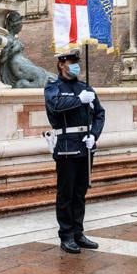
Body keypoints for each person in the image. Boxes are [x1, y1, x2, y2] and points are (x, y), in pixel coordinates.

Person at [44, 49, 105, 254]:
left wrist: (94, 135)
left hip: (85, 146)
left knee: (80, 192)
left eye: (77, 61)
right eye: (72, 61)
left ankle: (79, 233)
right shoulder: (54, 87)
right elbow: (55, 106)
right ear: (62, 64)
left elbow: (99, 114)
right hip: (66, 147)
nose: (76, 64)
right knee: (66, 193)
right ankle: (66, 235)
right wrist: (80, 100)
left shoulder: (84, 87)